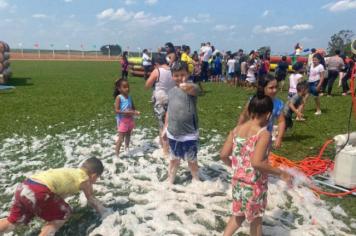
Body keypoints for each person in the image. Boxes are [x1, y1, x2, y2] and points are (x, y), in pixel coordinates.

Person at [220, 93, 292, 236]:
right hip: (254, 185)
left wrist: (236, 167)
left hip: (237, 183)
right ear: (268, 115)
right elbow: (257, 163)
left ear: (249, 112)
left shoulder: (235, 130)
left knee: (239, 215)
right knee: (256, 219)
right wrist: (280, 173)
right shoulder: (263, 134)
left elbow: (223, 155)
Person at [0, 157, 108, 236]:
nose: (96, 180)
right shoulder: (86, 181)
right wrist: (104, 213)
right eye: (97, 178)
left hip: (25, 186)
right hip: (39, 191)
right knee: (64, 213)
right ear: (94, 175)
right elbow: (92, 200)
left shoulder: (72, 172)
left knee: (14, 220)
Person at [162, 61, 200, 184]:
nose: (179, 78)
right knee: (174, 157)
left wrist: (186, 85)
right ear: (172, 75)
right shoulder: (171, 91)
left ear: (188, 74)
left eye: (182, 74)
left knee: (191, 158)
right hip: (174, 131)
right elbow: (169, 110)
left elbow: (192, 89)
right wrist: (165, 128)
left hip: (189, 132)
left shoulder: (192, 88)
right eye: (176, 75)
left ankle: (195, 179)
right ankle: (171, 178)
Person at [238, 75, 286, 148]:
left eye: (276, 87)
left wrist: (279, 137)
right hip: (250, 136)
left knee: (262, 158)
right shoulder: (253, 101)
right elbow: (243, 116)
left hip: (265, 139)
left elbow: (281, 121)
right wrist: (238, 130)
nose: (275, 90)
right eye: (271, 88)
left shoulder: (278, 104)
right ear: (262, 88)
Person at [146, 53, 175, 156]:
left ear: (156, 63)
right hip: (172, 99)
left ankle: (165, 151)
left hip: (161, 101)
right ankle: (161, 142)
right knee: (168, 124)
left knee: (162, 126)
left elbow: (148, 85)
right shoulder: (172, 70)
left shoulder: (157, 70)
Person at [114, 78, 140, 157]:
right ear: (119, 89)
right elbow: (116, 110)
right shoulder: (119, 97)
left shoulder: (129, 97)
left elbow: (133, 107)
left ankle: (126, 148)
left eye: (128, 87)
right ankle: (116, 155)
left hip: (130, 119)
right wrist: (128, 112)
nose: (127, 89)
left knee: (128, 134)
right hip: (122, 120)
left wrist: (135, 111)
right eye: (124, 87)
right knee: (121, 137)